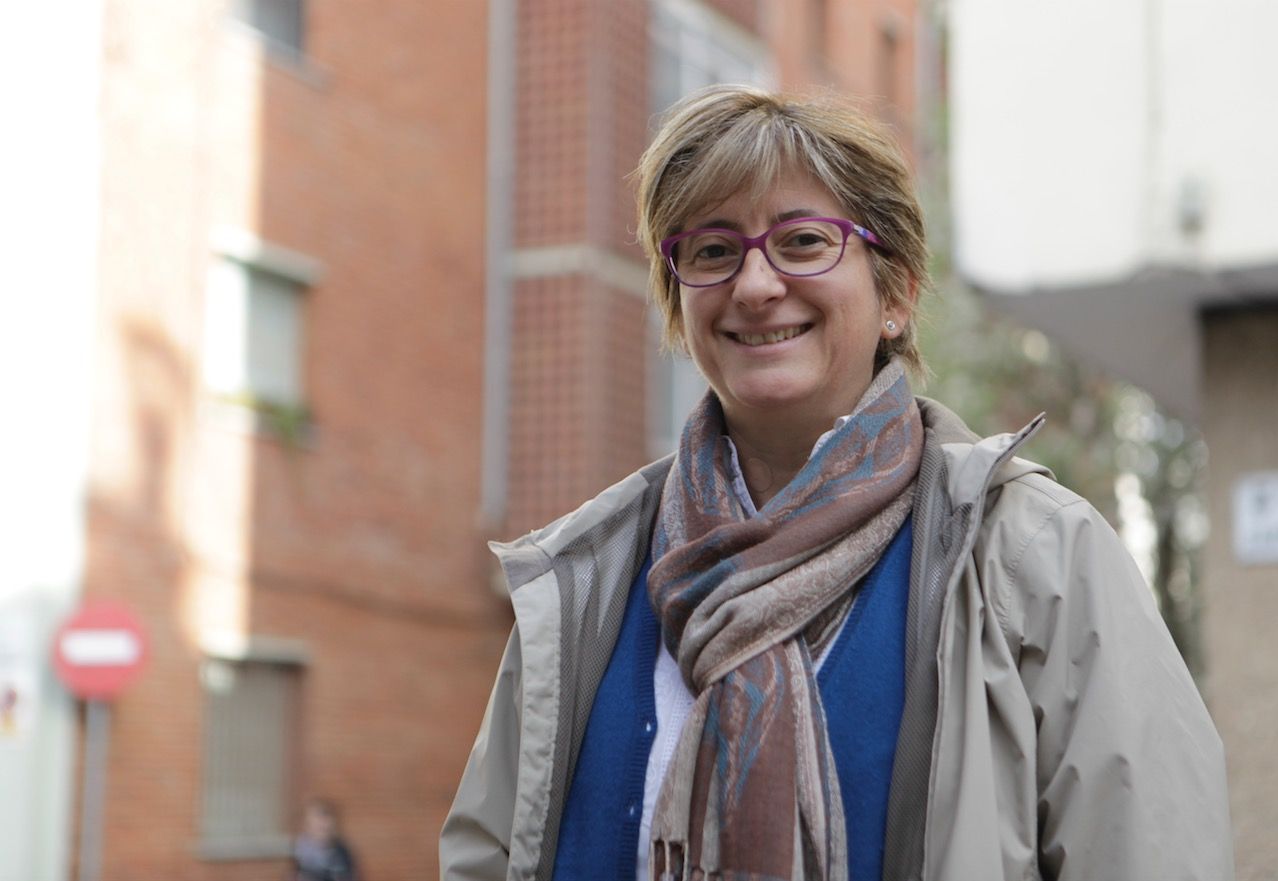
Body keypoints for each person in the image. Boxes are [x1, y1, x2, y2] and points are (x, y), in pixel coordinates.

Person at [441, 85, 1234, 881]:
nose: (754, 285)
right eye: (712, 250)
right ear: (679, 306)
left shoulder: (1032, 555)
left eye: (803, 240)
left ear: (894, 294)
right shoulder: (590, 577)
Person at [292, 798, 358, 881]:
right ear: (306, 824)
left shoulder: (343, 854)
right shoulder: (296, 854)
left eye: (326, 819)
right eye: (318, 819)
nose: (324, 824)